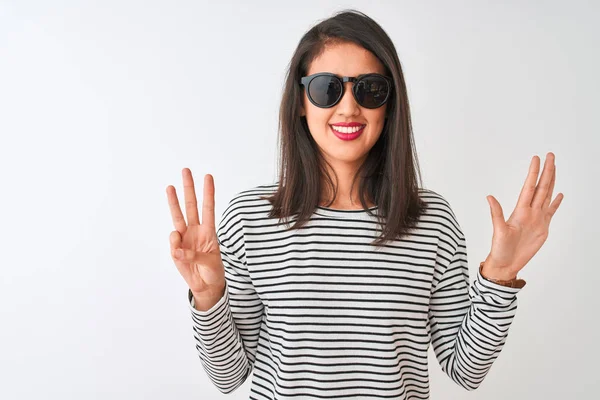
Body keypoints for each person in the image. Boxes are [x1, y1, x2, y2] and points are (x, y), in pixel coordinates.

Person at [165, 9, 563, 399]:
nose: (349, 107)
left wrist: (500, 273)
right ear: (301, 102)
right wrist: (209, 295)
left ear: (390, 105)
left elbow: (465, 369)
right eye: (327, 88)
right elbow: (229, 376)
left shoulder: (431, 221)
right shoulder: (251, 218)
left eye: (370, 89)